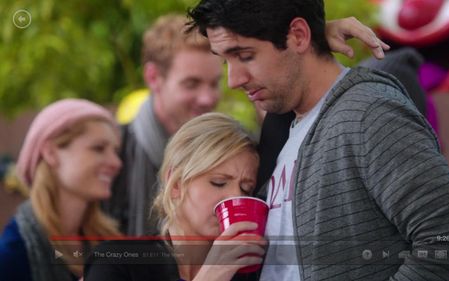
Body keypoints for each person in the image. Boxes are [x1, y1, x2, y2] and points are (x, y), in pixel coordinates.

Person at [187, 0, 449, 280]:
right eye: (226, 60)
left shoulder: (369, 113)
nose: (233, 79)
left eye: (245, 56)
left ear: (299, 35)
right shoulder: (283, 123)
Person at [105, 13, 390, 236]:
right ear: (154, 77)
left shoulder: (238, 150)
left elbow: (282, 127)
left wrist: (307, 43)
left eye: (213, 83)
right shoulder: (110, 156)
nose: (206, 98)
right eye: (191, 84)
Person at [85, 113, 266, 281]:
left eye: (246, 189)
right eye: (218, 182)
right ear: (176, 184)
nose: (235, 197)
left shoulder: (250, 271)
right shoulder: (118, 262)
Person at [0, 99, 122, 281]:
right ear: (51, 153)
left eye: (115, 151)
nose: (116, 163)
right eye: (98, 148)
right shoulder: (12, 255)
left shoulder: (110, 241)